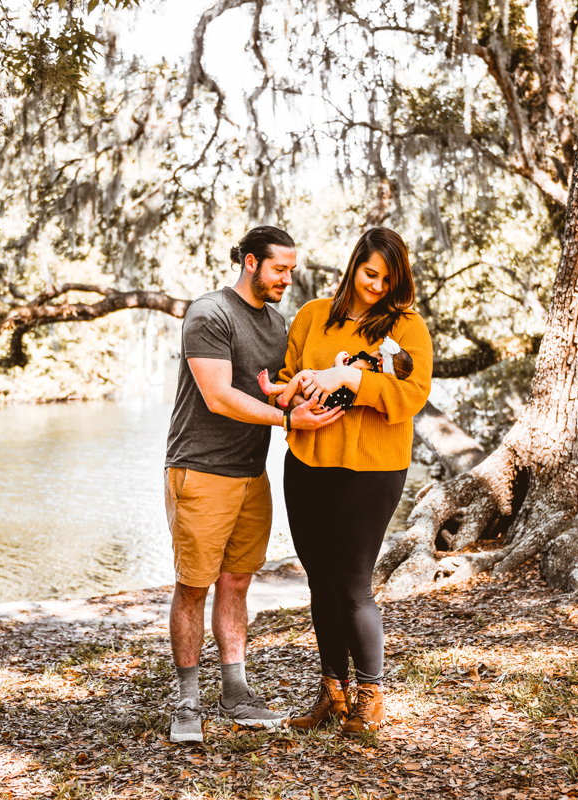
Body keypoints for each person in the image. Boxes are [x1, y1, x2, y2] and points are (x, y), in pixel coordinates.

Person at [164, 226, 343, 744]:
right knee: (194, 585)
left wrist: (321, 383)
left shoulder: (276, 323)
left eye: (291, 269)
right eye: (279, 269)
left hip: (250, 473)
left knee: (238, 582)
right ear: (249, 263)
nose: (289, 278)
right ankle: (187, 699)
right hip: (199, 470)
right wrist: (288, 423)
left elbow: (273, 391)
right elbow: (219, 396)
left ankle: (235, 691)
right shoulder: (209, 314)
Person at [278, 227, 432, 734]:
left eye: (388, 278)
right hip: (307, 464)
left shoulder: (408, 329)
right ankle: (333, 693)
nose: (377, 286)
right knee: (320, 582)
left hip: (371, 470)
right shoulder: (312, 316)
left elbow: (412, 396)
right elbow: (284, 381)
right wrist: (297, 393)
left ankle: (371, 695)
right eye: (370, 274)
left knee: (353, 585)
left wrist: (349, 379)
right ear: (353, 267)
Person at [256, 336, 415, 409]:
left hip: (330, 395)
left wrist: (339, 358)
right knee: (302, 382)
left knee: (303, 375)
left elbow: (340, 374)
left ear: (381, 360)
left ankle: (283, 398)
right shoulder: (375, 375)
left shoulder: (368, 364)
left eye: (378, 351)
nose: (374, 351)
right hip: (334, 399)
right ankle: (273, 389)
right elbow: (334, 373)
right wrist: (336, 365)